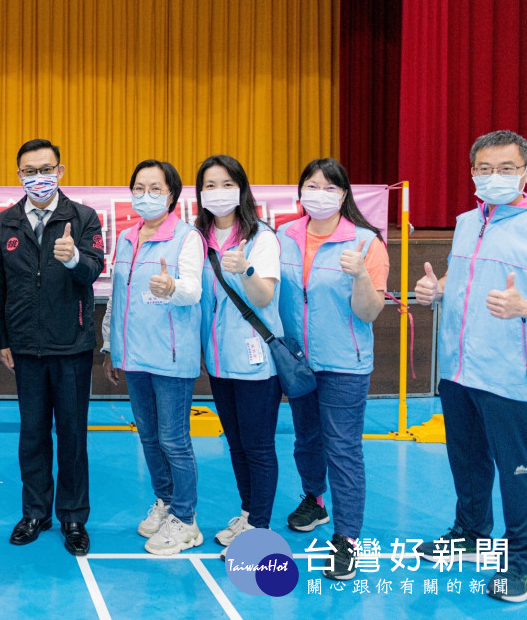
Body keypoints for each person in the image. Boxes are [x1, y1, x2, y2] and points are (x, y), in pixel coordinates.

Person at [413, 129, 527, 603]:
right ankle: (471, 533)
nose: (494, 177)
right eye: (485, 169)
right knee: (466, 459)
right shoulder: (465, 222)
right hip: (458, 369)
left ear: (524, 173)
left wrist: (524, 306)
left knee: (516, 469)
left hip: (509, 374)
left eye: (506, 169)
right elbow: (464, 285)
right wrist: (436, 292)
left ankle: (520, 561)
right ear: (472, 172)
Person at [0, 139, 104, 556]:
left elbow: (93, 270)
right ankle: (35, 512)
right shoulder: (5, 223)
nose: (39, 178)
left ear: (61, 170)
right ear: (18, 175)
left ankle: (73, 516)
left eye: (46, 169)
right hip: (25, 347)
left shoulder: (84, 218)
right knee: (32, 434)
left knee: (72, 435)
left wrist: (73, 258)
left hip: (71, 345)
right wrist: (2, 338)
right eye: (29, 171)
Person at [276, 157, 388, 581]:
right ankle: (314, 500)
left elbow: (370, 310)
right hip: (297, 361)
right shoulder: (283, 236)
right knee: (306, 440)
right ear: (300, 190)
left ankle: (347, 538)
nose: (318, 194)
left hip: (344, 363)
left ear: (343, 194)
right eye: (311, 185)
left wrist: (360, 275)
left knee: (342, 449)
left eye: (329, 187)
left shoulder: (365, 243)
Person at [101, 159, 205, 556]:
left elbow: (193, 289)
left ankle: (186, 518)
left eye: (155, 188)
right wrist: (111, 345)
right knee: (148, 437)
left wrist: (171, 286)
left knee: (174, 440)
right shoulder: (127, 238)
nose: (146, 195)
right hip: (134, 355)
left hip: (171, 355)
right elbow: (116, 297)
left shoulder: (187, 237)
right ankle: (165, 502)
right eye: (139, 188)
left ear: (172, 195)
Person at [193, 155, 283, 551]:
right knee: (236, 443)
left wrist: (246, 269)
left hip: (255, 363)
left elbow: (264, 296)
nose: (217, 192)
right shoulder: (197, 238)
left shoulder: (262, 237)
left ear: (242, 189)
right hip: (218, 361)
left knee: (259, 446)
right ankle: (248, 513)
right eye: (209, 185)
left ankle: (259, 527)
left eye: (226, 183)